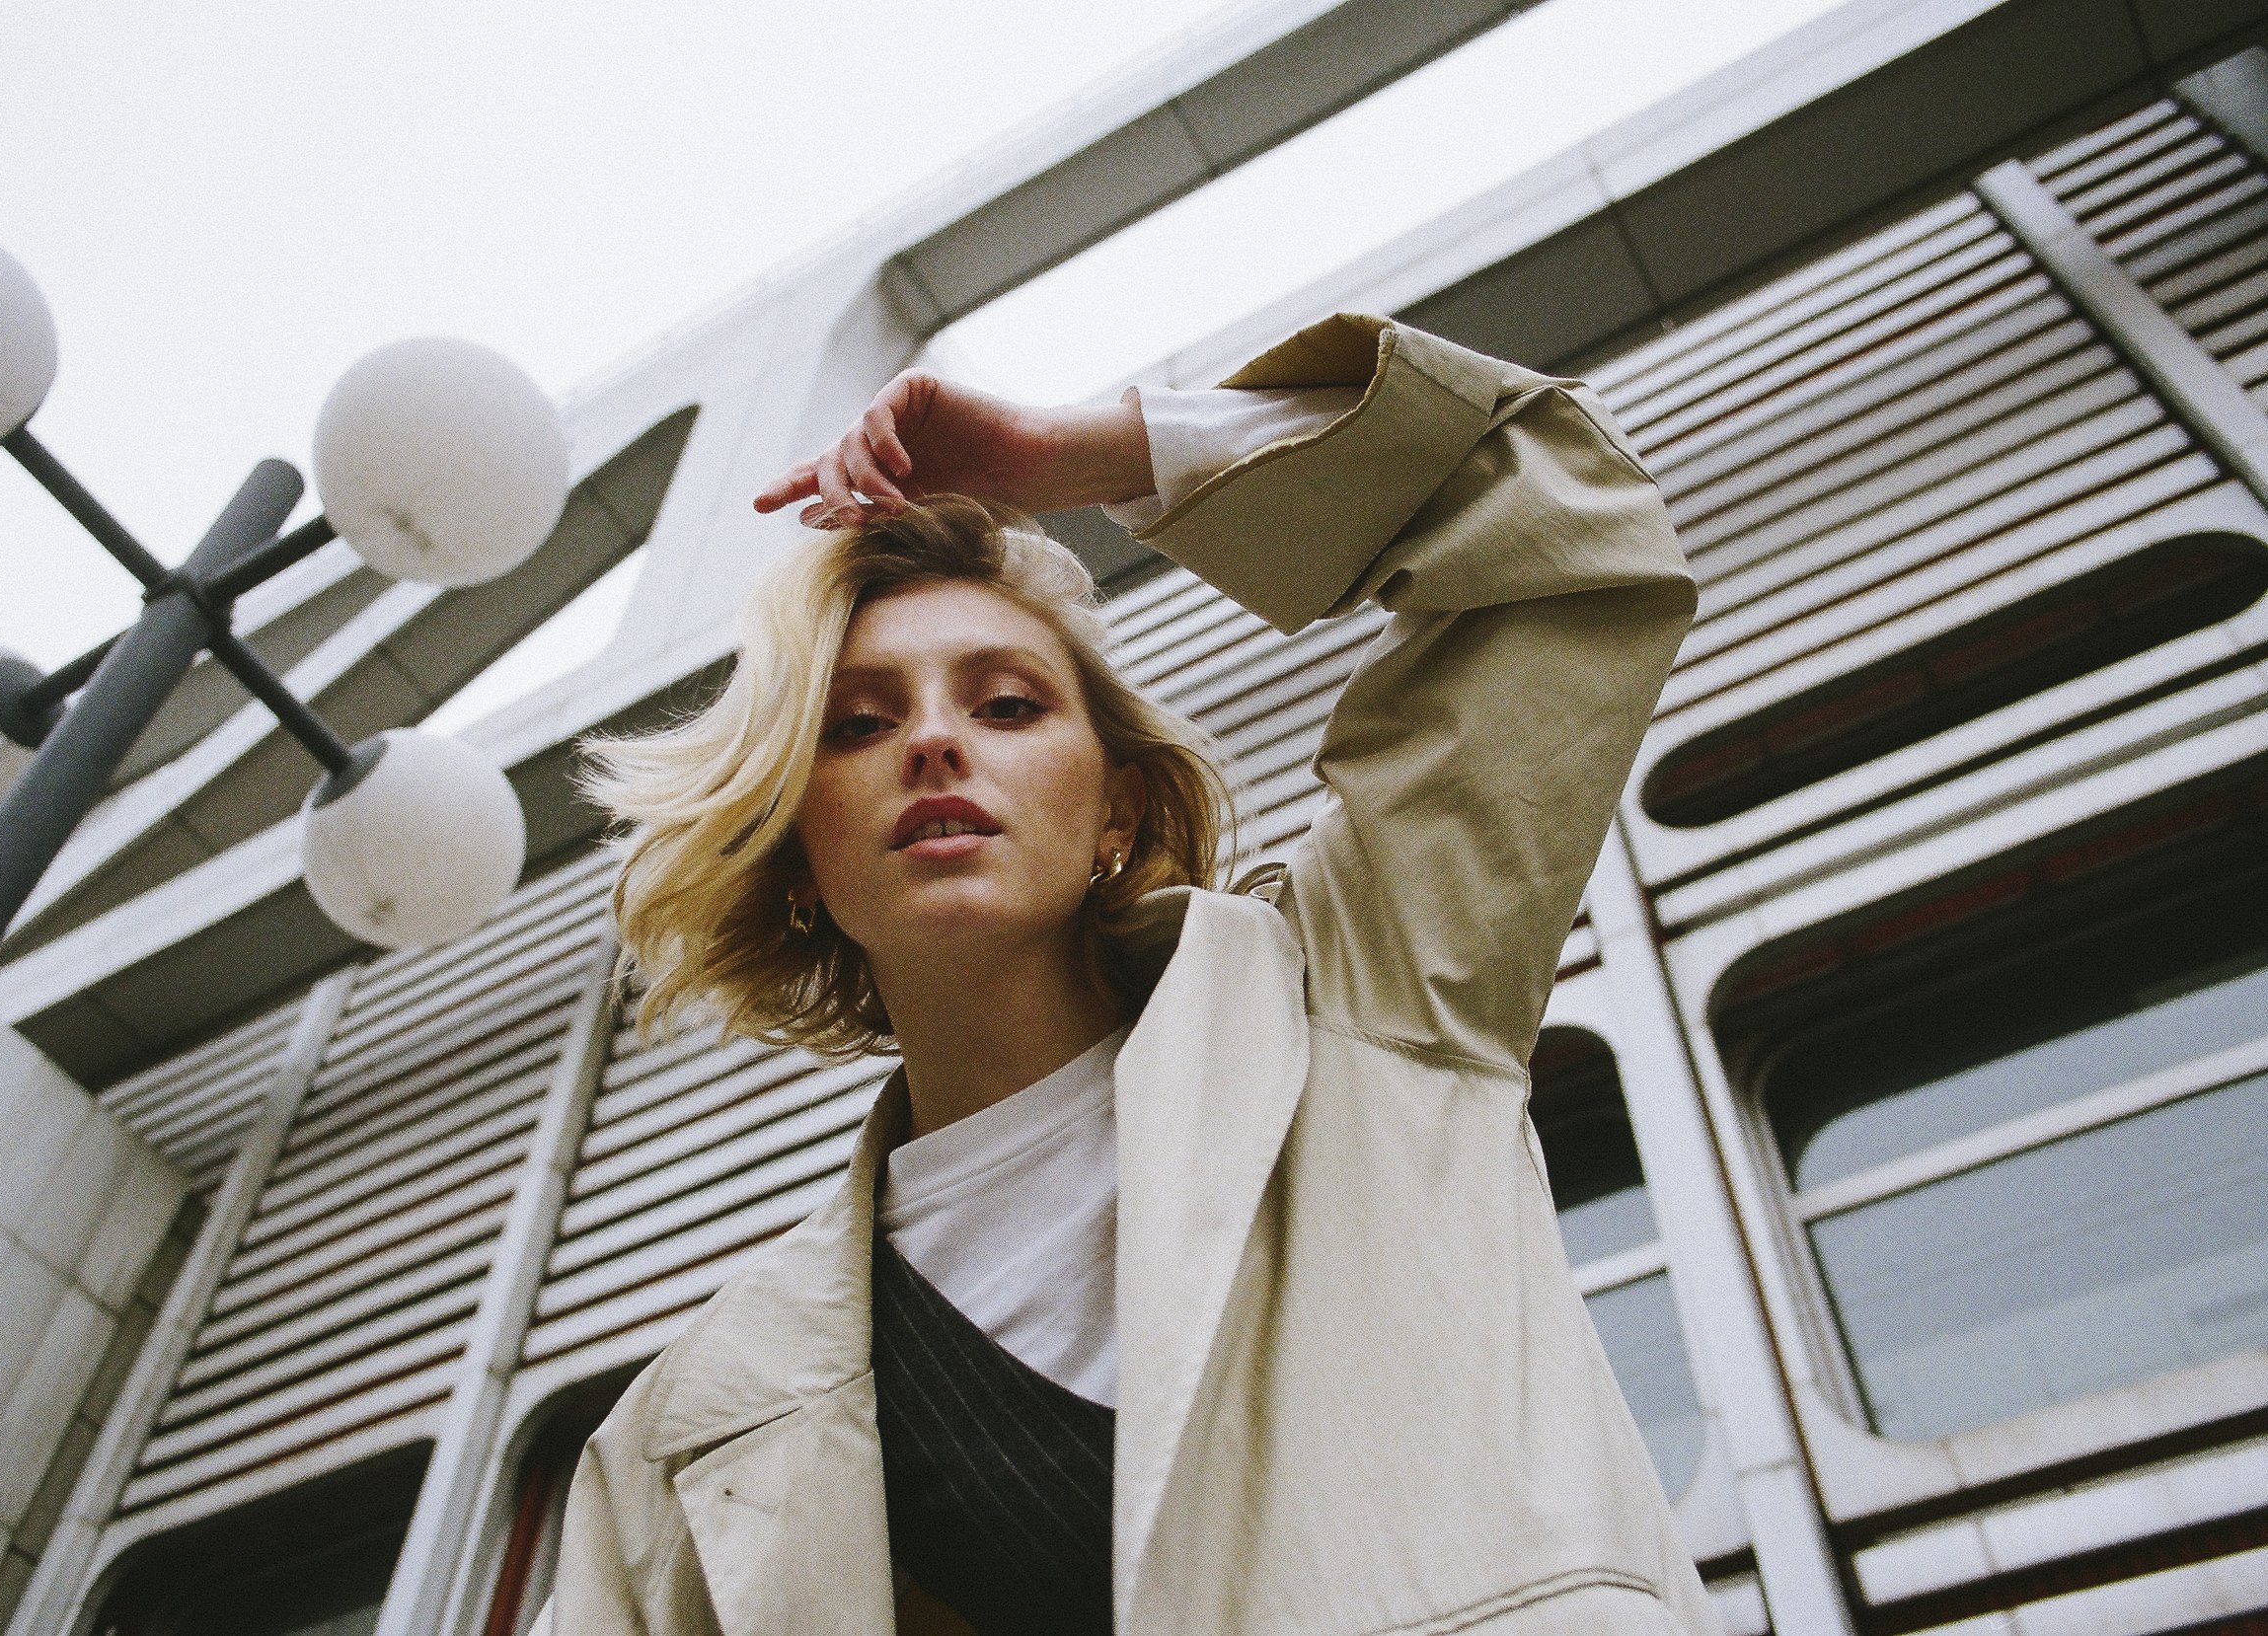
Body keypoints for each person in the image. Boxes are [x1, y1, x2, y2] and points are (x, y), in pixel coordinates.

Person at [537, 312, 1716, 1635]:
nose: (933, 742)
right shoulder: (685, 1436)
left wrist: (1075, 452)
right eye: (860, 724)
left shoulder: (1366, 991)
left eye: (1007, 704)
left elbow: (1564, 528)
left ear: (1116, 811)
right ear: (799, 851)